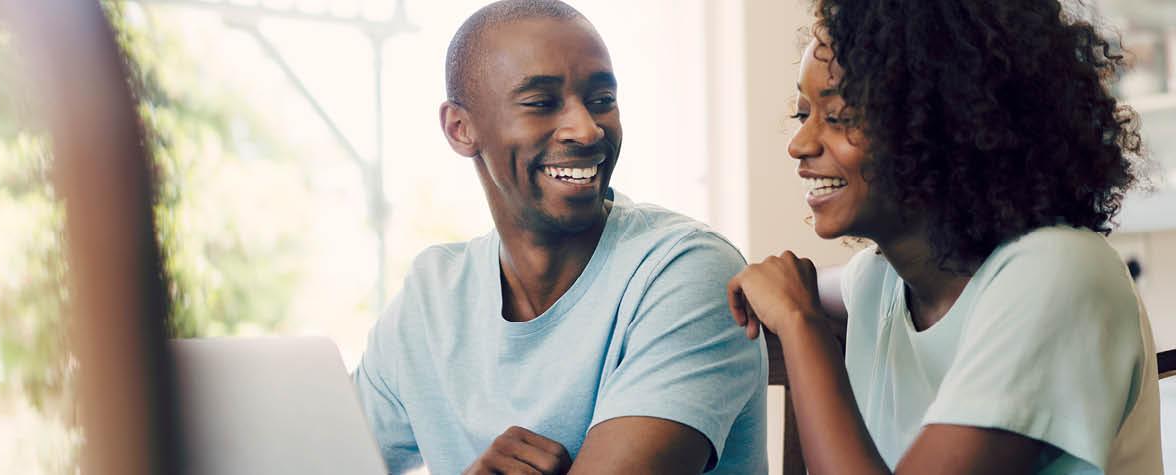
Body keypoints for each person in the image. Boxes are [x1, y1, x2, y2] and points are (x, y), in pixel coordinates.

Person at [727, 0, 1162, 473]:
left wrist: (799, 322)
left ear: (942, 121)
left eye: (838, 117)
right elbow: (799, 285)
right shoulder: (883, 281)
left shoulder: (1060, 272)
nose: (800, 144)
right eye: (802, 115)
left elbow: (797, 301)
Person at [351, 1, 766, 473]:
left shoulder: (687, 270)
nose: (587, 130)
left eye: (602, 100)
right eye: (541, 103)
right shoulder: (430, 298)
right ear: (460, 128)